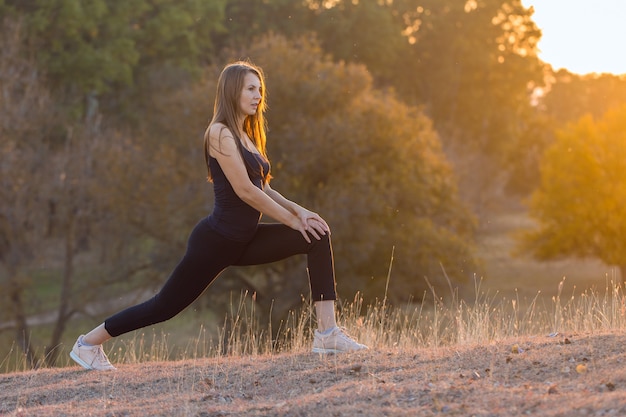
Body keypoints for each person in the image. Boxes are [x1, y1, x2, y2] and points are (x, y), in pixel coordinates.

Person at [69, 61, 368, 371]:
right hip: (216, 241)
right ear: (232, 90)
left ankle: (327, 334)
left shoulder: (247, 134)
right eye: (251, 89)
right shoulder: (219, 133)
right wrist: (291, 222)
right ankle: (88, 343)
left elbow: (263, 187)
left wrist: (302, 212)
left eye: (260, 89)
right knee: (163, 307)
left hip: (245, 240)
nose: (258, 96)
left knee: (317, 235)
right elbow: (245, 191)